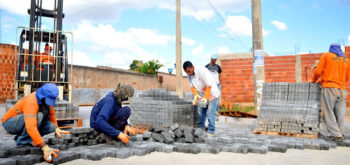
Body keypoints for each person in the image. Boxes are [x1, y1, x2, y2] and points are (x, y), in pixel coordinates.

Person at [1, 83, 70, 163]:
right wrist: (45, 147)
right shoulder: (31, 101)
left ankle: (22, 137)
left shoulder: (45, 100)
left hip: (26, 122)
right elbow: (31, 127)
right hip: (10, 123)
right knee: (39, 116)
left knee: (52, 126)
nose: (50, 102)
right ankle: (22, 142)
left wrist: (57, 128)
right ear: (43, 96)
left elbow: (51, 114)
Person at [312, 43, 350, 142]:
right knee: (341, 113)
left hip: (329, 88)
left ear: (330, 49)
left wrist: (313, 81)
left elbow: (318, 71)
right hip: (342, 89)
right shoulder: (346, 60)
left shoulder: (326, 56)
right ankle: (340, 133)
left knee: (328, 112)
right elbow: (347, 78)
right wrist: (339, 83)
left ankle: (337, 135)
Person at [183, 61, 220, 136]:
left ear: (192, 67)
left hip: (212, 92)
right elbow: (192, 87)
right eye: (187, 72)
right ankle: (200, 128)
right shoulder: (189, 74)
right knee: (201, 110)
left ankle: (211, 131)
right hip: (202, 92)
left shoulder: (202, 71)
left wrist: (205, 98)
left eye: (189, 71)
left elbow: (209, 85)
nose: (188, 74)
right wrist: (196, 95)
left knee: (210, 111)